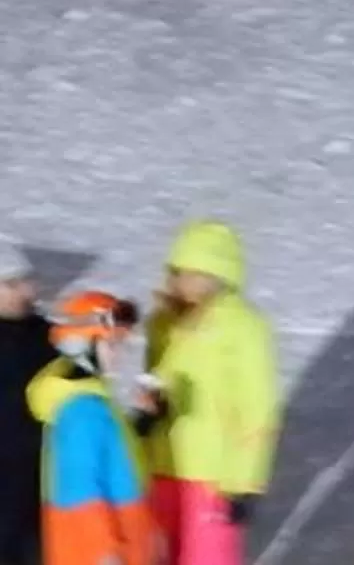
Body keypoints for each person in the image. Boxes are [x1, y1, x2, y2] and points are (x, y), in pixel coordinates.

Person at [140, 226, 274, 565]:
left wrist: (245, 481)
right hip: (163, 466)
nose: (178, 281)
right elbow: (157, 382)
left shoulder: (242, 326)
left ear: (213, 275)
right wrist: (148, 415)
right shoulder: (163, 321)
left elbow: (257, 408)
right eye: (176, 272)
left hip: (213, 475)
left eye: (188, 273)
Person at [28, 292, 151, 565]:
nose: (118, 353)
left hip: (124, 543)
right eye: (111, 344)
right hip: (101, 553)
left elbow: (114, 464)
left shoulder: (94, 402)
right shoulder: (82, 411)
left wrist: (143, 421)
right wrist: (102, 553)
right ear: (82, 346)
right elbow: (79, 488)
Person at [0, 250, 57, 565]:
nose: (25, 292)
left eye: (26, 282)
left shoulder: (44, 335)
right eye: (11, 284)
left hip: (37, 473)